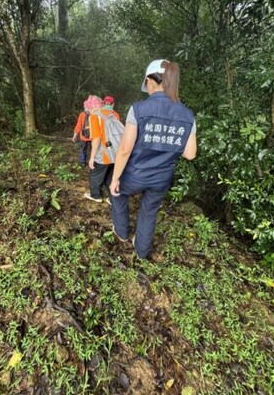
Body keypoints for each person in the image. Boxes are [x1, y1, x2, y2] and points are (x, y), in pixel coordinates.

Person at [109, 59, 197, 259]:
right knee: (149, 211)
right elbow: (190, 154)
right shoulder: (188, 115)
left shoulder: (139, 109)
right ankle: (141, 251)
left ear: (150, 80)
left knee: (117, 192)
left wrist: (115, 178)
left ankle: (122, 232)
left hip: (135, 174)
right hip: (161, 178)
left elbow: (124, 150)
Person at [83, 95, 121, 204]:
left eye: (88, 109)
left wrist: (92, 157)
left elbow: (96, 139)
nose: (88, 111)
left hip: (103, 153)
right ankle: (112, 198)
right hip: (115, 152)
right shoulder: (112, 114)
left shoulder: (94, 117)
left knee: (95, 174)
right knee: (110, 175)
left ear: (91, 107)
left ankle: (96, 195)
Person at [72, 101, 92, 165]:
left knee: (83, 149)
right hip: (93, 136)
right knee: (94, 150)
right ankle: (93, 162)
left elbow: (78, 125)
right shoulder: (94, 114)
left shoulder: (82, 114)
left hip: (83, 136)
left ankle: (82, 162)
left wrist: (75, 135)